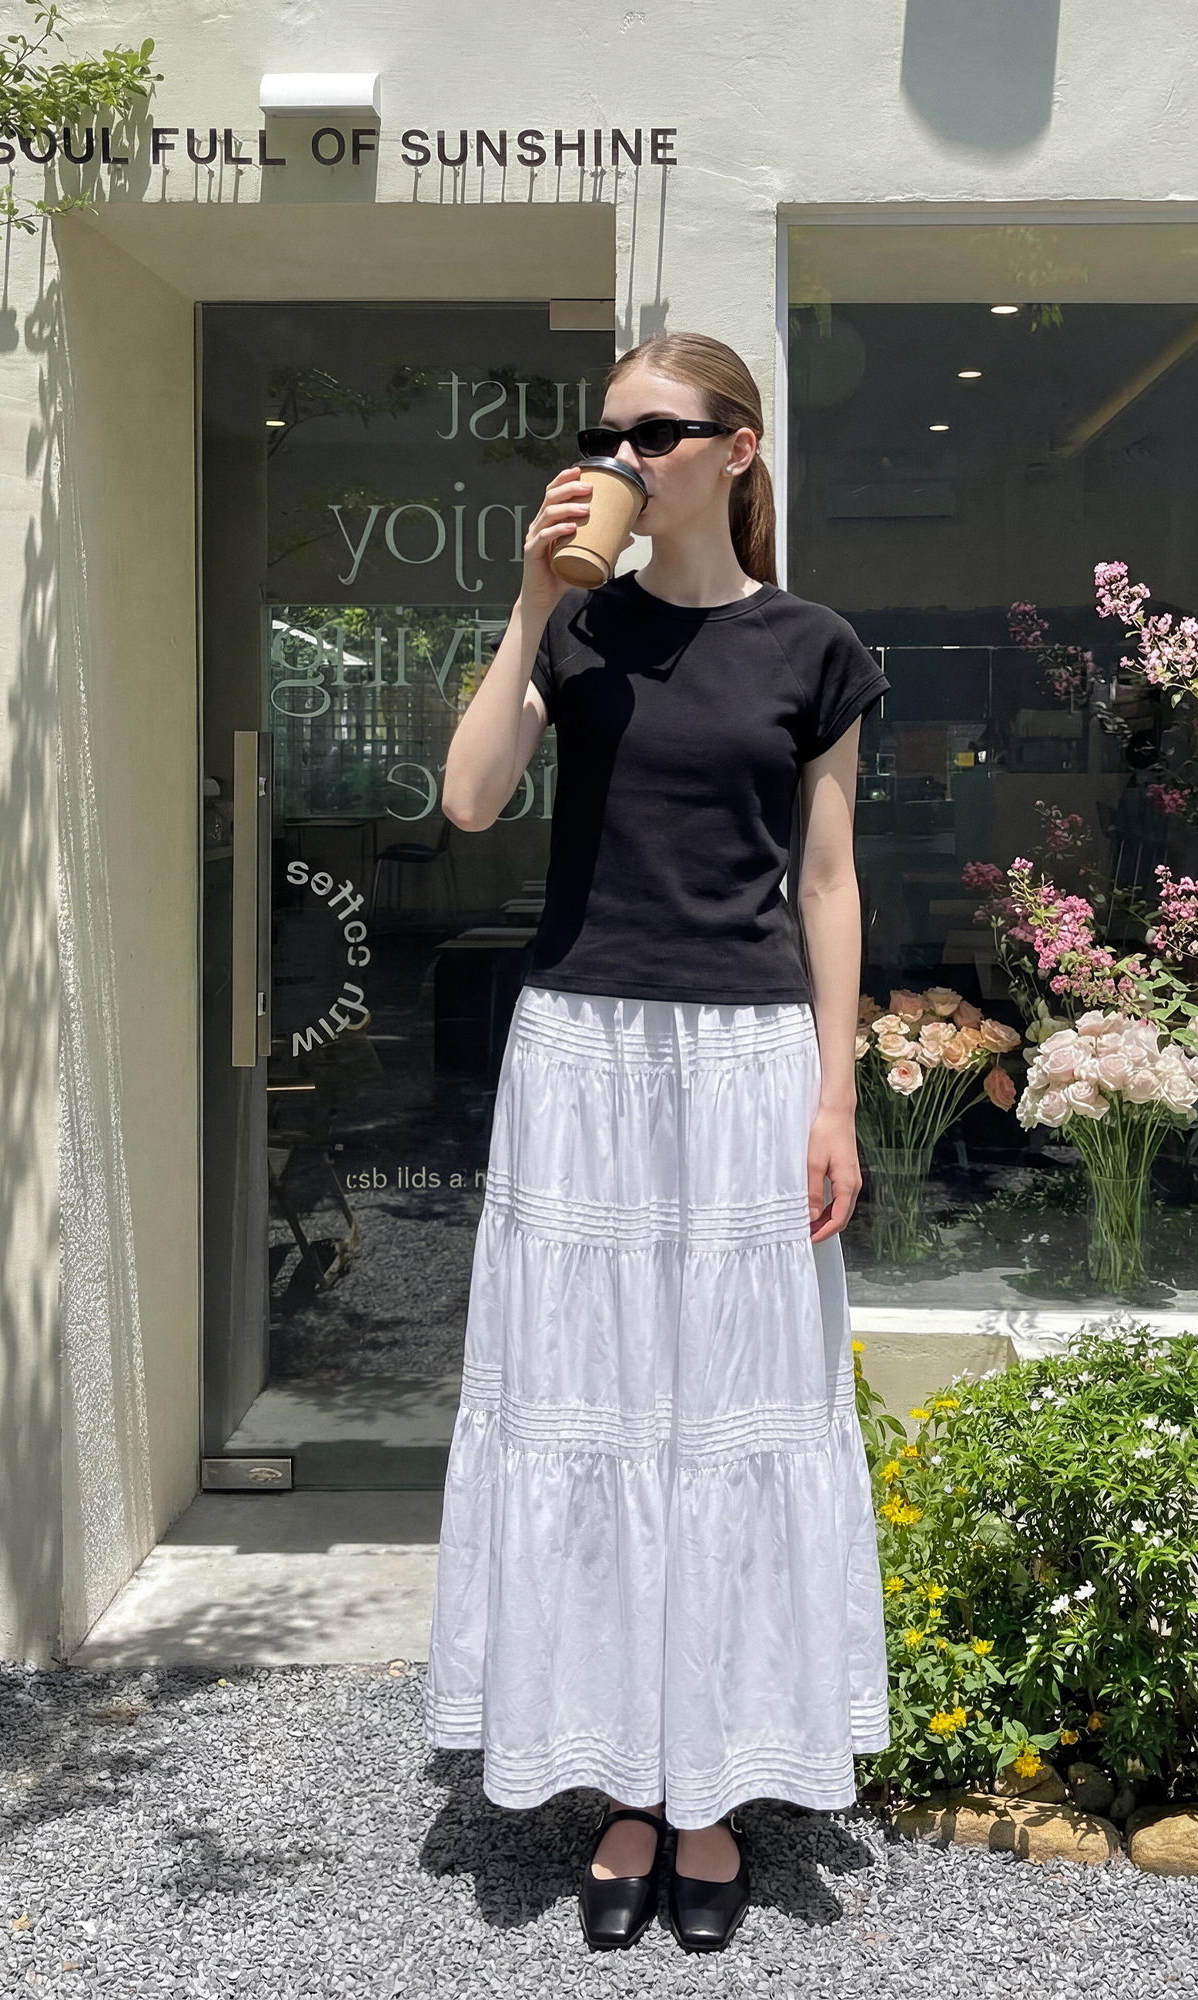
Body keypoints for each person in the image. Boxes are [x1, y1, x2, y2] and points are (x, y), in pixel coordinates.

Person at [424, 331, 890, 1954]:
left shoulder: (812, 647)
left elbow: (827, 881)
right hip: (584, 1053)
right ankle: (626, 1781)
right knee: (599, 1411)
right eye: (604, 431)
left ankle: (713, 1794)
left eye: (655, 432)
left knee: (728, 1419)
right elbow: (471, 801)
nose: (620, 457)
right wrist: (531, 602)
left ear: (736, 448)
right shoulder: (582, 632)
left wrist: (835, 1095)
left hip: (748, 1056)